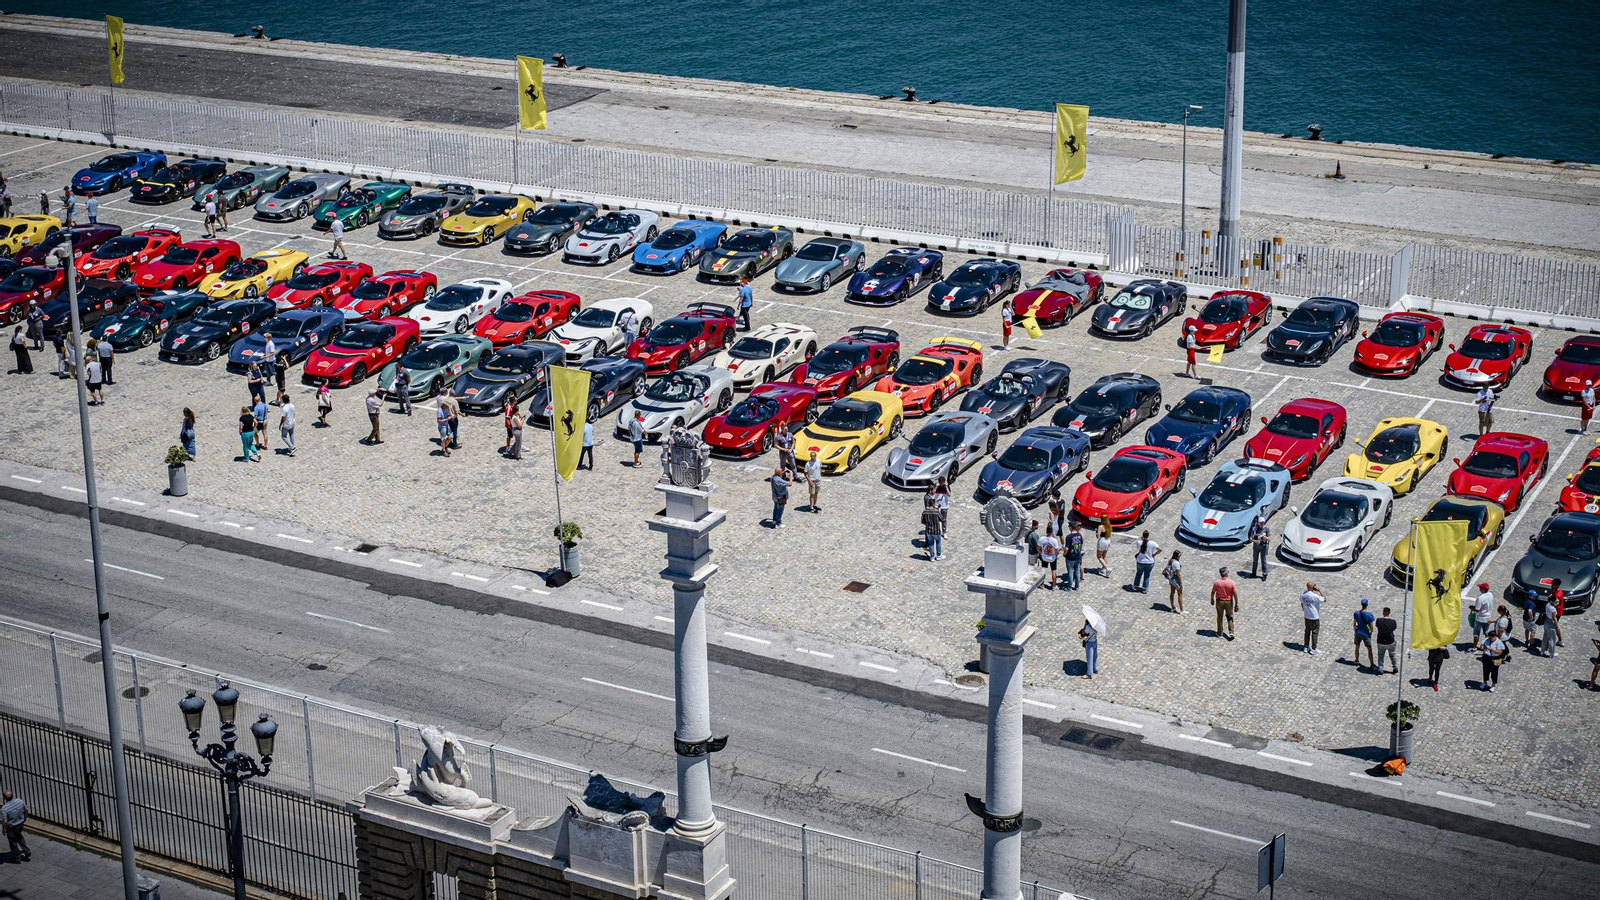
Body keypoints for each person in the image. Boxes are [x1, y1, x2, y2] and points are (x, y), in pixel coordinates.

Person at [2, 789, 29, 863]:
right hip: (20, 824)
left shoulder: (4, 808)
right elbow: (26, 809)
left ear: (4, 798)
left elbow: (5, 821)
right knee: (19, 836)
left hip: (12, 827)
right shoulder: (19, 801)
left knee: (13, 843)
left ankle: (17, 858)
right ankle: (27, 851)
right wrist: (24, 817)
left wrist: (4, 829)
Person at [1210, 567, 1238, 639]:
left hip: (1219, 601)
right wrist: (1236, 604)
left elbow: (1213, 592)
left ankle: (1220, 633)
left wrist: (1212, 599)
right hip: (1229, 601)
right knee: (1229, 616)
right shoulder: (1231, 582)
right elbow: (1235, 593)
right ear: (1226, 573)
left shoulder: (1217, 582)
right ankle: (1231, 632)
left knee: (1219, 617)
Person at [1349, 599, 1377, 668]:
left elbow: (1354, 623)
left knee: (1357, 646)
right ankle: (1372, 664)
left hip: (1358, 632)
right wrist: (1370, 633)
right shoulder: (1369, 615)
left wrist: (1355, 630)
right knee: (1369, 649)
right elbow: (1371, 627)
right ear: (1367, 605)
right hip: (1365, 634)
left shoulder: (1356, 613)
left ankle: (1356, 660)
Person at [1300, 581, 1324, 653]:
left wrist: (1305, 610)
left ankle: (1306, 646)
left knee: (1307, 631)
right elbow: (1324, 599)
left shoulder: (1303, 594)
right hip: (1314, 617)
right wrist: (1320, 591)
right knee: (1315, 632)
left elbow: (1302, 603)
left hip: (1307, 616)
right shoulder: (1315, 596)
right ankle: (1314, 648)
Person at [922, 487, 945, 559]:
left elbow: (923, 521)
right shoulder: (936, 511)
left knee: (931, 544)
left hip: (929, 531)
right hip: (936, 530)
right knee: (938, 543)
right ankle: (939, 555)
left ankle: (932, 557)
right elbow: (941, 519)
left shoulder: (924, 512)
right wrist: (939, 510)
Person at [1375, 606, 1399, 673]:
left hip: (1381, 641)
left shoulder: (1379, 620)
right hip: (1390, 641)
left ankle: (1380, 668)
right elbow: (1394, 628)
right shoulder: (1393, 622)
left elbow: (1377, 626)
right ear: (1389, 613)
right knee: (1392, 655)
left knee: (1381, 655)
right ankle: (1395, 667)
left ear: (1383, 612)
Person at [1248, 513, 1271, 580]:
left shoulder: (1266, 529)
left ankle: (1264, 574)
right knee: (1255, 560)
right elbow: (1251, 538)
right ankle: (1254, 573)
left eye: (1263, 523)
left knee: (1263, 560)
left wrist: (1263, 536)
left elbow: (1269, 539)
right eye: (1261, 523)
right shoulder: (1254, 529)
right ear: (1258, 523)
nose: (1262, 524)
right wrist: (1256, 541)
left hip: (1263, 546)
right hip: (1256, 546)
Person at [1471, 582, 1494, 647]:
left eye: (1480, 588)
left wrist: (1472, 609)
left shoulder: (1480, 598)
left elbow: (1477, 609)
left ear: (1483, 589)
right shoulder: (1490, 594)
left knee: (1476, 634)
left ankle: (1474, 647)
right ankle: (1487, 645)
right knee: (1487, 632)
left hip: (1480, 618)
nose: (1479, 589)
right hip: (1488, 618)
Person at [1063, 523, 1084, 590]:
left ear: (1071, 527)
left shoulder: (1069, 537)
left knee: (1070, 571)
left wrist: (1064, 554)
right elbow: (1081, 543)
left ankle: (1069, 586)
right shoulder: (1079, 535)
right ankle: (1077, 586)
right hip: (1078, 555)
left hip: (1070, 557)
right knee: (1077, 571)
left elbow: (1066, 548)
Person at [1542, 593, 1559, 658]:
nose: (1557, 603)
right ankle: (1552, 653)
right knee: (1552, 638)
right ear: (1552, 602)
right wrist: (1557, 627)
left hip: (1546, 621)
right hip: (1551, 623)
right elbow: (1554, 618)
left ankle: (1542, 651)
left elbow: (1548, 599)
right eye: (1556, 602)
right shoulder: (1553, 609)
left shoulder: (1547, 605)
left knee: (1545, 637)